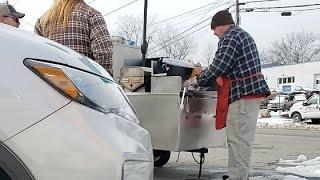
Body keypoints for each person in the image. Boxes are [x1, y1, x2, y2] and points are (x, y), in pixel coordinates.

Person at [184, 10, 270, 180]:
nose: (214, 33)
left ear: (222, 25)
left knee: (238, 142)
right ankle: (237, 176)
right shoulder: (240, 35)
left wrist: (196, 80)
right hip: (246, 96)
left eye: (214, 29)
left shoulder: (231, 36)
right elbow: (224, 67)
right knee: (240, 142)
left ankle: (238, 177)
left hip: (243, 97)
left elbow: (220, 66)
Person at [34, 0, 113, 74]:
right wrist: (103, 79)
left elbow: (36, 55)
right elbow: (104, 53)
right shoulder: (91, 14)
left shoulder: (42, 21)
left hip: (51, 81)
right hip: (85, 82)